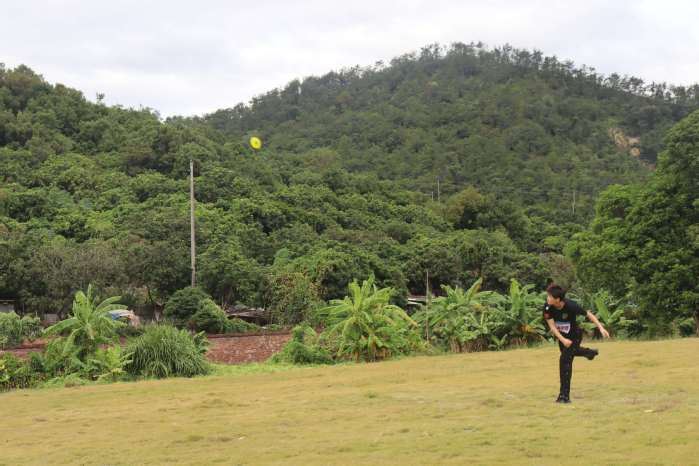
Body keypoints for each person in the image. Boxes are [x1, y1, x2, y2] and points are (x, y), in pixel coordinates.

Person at [543, 284, 610, 403]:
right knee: (570, 354)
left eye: (550, 296)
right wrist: (563, 340)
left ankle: (564, 397)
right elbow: (552, 326)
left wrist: (601, 328)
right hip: (562, 337)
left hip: (575, 336)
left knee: (565, 360)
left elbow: (588, 314)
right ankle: (589, 353)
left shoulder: (571, 306)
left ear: (557, 299)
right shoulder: (548, 307)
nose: (547, 298)